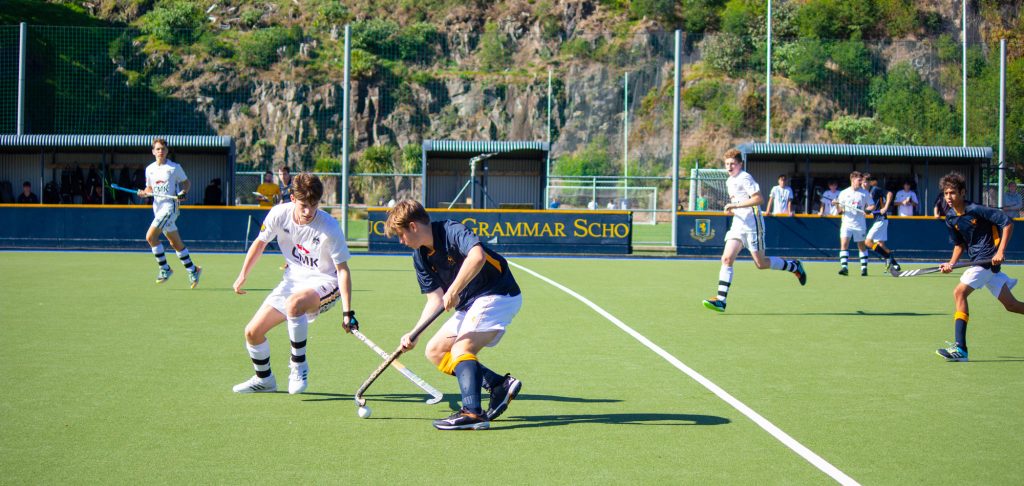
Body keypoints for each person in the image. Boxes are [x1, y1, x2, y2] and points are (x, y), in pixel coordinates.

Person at [385, 200, 523, 430]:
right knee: (436, 351)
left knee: (461, 349)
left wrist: (454, 289)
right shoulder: (420, 257)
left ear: (413, 226)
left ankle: (472, 413)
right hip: (471, 302)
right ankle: (498, 384)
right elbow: (435, 300)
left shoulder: (451, 230)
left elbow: (477, 257)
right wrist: (415, 333)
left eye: (401, 234)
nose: (401, 241)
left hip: (498, 293)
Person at [232, 173, 356, 393]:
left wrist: (348, 312)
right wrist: (243, 275)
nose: (308, 212)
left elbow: (342, 270)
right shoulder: (279, 214)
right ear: (291, 198)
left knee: (294, 304)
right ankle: (264, 380)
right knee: (252, 333)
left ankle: (298, 366)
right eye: (303, 205)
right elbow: (260, 243)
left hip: (325, 282)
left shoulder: (330, 226)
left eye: (313, 205)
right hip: (292, 280)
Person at [702, 149, 806, 313]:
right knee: (727, 258)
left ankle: (794, 266)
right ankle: (721, 300)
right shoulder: (730, 181)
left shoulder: (745, 177)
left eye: (733, 164)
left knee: (761, 263)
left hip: (752, 224)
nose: (729, 167)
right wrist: (733, 210)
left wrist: (735, 206)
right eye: (727, 164)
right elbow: (738, 201)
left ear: (740, 164)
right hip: (738, 223)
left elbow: (758, 199)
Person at [935, 171, 1024, 362]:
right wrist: (951, 264)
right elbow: (959, 245)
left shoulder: (976, 209)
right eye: (945, 193)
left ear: (962, 192)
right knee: (1012, 305)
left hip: (986, 260)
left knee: (959, 293)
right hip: (980, 262)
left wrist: (1000, 252)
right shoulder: (950, 217)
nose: (948, 197)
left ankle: (961, 349)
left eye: (952, 193)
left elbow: (1007, 223)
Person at [137, 138, 202, 288]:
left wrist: (183, 192)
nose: (160, 151)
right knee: (175, 243)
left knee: (150, 237)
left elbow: (186, 183)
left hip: (169, 208)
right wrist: (144, 193)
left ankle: (165, 268)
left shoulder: (174, 168)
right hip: (158, 209)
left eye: (163, 149)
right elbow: (149, 189)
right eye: (158, 149)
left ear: (167, 151)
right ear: (153, 151)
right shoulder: (150, 169)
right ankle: (193, 269)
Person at [835, 171, 873, 276]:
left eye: (861, 180)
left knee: (861, 246)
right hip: (847, 223)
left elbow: (871, 205)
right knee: (844, 244)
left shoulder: (865, 193)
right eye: (859, 180)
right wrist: (836, 205)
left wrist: (868, 210)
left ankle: (864, 268)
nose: (861, 182)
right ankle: (844, 267)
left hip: (859, 224)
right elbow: (840, 211)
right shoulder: (843, 193)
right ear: (852, 179)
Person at [863, 174, 902, 272]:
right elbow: (869, 208)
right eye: (863, 181)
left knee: (868, 242)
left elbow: (889, 194)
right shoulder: (863, 193)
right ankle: (895, 264)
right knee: (880, 244)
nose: (864, 184)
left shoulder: (875, 189)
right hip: (878, 219)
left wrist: (885, 208)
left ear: (869, 182)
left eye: (866, 181)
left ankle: (888, 257)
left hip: (880, 219)